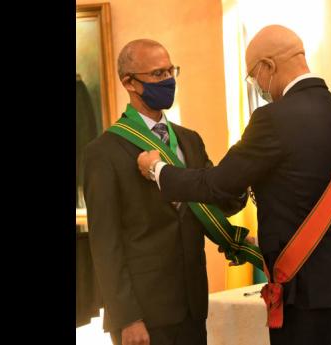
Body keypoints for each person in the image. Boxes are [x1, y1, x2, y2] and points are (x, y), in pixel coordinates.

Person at [137, 25, 331, 345]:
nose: (258, 85)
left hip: (305, 292)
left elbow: (217, 184)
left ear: (268, 66)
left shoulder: (272, 118)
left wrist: (158, 170)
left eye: (254, 76)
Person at [83, 39, 246, 345]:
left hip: (192, 305)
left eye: (171, 70)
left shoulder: (190, 141)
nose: (169, 80)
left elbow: (213, 200)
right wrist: (127, 318)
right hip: (143, 314)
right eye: (158, 74)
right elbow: (106, 244)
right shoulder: (104, 152)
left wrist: (246, 181)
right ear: (129, 83)